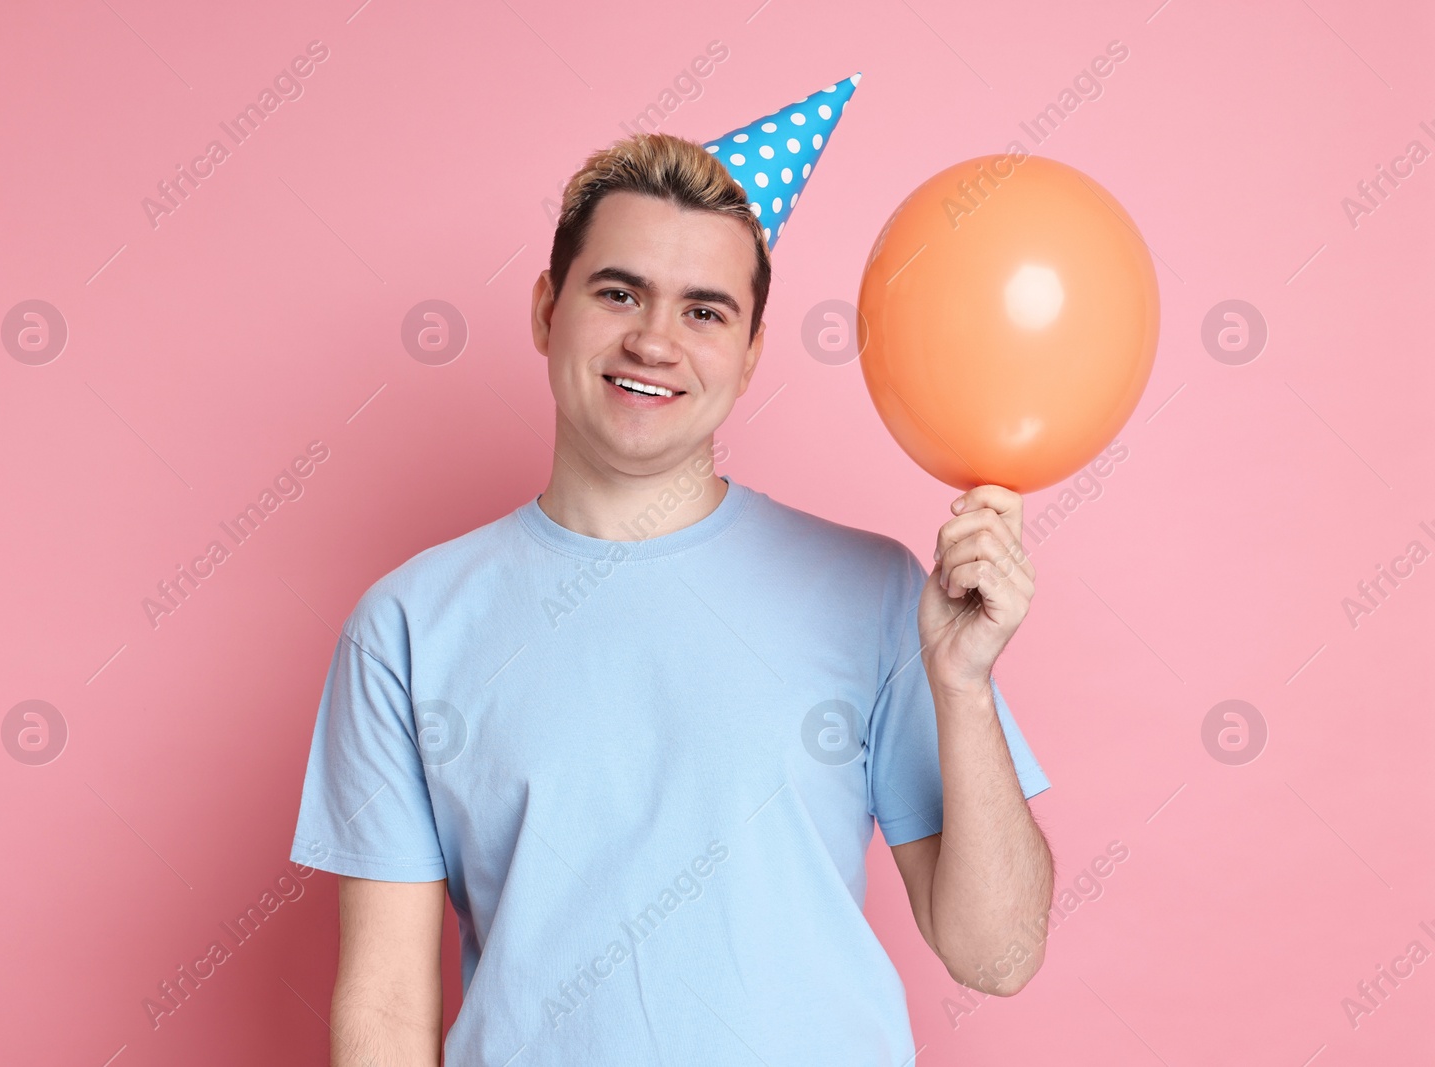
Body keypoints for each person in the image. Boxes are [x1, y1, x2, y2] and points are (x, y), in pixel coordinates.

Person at [290, 126, 1053, 1066]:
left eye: (705, 311)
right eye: (619, 293)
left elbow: (999, 955)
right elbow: (386, 1008)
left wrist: (966, 687)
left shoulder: (881, 593)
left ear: (752, 350)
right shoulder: (407, 627)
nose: (654, 341)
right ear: (545, 310)